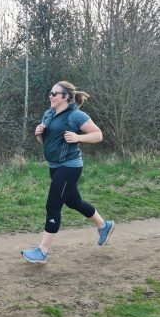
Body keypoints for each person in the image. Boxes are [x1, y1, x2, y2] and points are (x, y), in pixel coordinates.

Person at [21, 81, 114, 264]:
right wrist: (39, 134)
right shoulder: (48, 114)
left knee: (53, 206)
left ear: (65, 97)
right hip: (54, 166)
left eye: (55, 93)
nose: (51, 96)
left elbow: (98, 135)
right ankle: (104, 225)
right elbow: (48, 143)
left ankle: (42, 251)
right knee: (74, 202)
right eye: (50, 92)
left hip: (69, 166)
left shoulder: (76, 116)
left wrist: (78, 137)